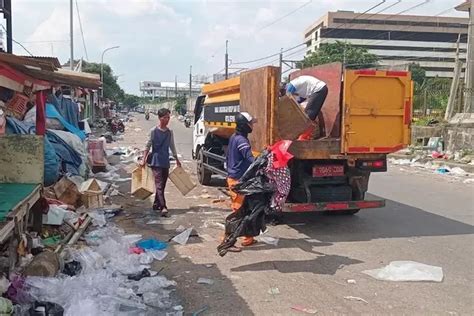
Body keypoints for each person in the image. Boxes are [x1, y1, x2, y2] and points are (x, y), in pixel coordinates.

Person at [225, 112, 257, 251]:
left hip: (236, 178)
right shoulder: (242, 141)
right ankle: (228, 240)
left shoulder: (235, 137)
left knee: (246, 209)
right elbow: (251, 159)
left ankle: (248, 237)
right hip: (238, 180)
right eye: (250, 123)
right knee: (237, 212)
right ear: (244, 125)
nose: (252, 126)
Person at [142, 108, 181, 217]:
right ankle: (163, 206)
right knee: (159, 184)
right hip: (155, 161)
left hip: (165, 161)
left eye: (168, 117)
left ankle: (156, 204)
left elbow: (172, 146)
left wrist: (177, 160)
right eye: (165, 117)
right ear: (159, 118)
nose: (167, 119)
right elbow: (147, 146)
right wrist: (144, 159)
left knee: (162, 185)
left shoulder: (169, 132)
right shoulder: (153, 131)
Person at [286, 75, 328, 140]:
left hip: (318, 89)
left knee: (309, 115)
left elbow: (287, 99)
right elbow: (298, 101)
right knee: (308, 115)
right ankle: (305, 136)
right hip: (319, 89)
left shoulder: (291, 86)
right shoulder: (300, 89)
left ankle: (303, 137)